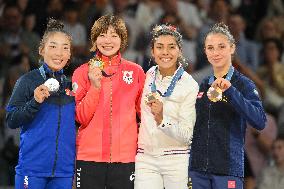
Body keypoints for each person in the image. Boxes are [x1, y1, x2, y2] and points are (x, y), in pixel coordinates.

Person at [189, 23, 267, 189]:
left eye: (221, 47)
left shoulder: (243, 84)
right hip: (197, 170)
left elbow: (259, 121)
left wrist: (231, 91)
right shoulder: (202, 84)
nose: (215, 52)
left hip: (227, 169)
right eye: (210, 48)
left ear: (232, 48)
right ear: (205, 52)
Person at [72, 14, 145, 189]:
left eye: (114, 35)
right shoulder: (82, 72)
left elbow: (144, 115)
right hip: (89, 156)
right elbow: (80, 117)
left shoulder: (135, 72)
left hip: (125, 158)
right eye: (102, 35)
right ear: (95, 39)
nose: (108, 40)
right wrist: (95, 87)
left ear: (122, 38)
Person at [5, 18, 76, 189]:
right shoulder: (27, 81)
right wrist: (34, 102)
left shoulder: (72, 85)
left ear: (69, 55)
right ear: (41, 50)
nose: (59, 53)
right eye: (53, 46)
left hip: (64, 173)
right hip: (32, 170)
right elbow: (11, 119)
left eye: (65, 48)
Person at [134, 24, 199, 189]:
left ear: (180, 50)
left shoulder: (189, 84)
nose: (165, 53)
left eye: (171, 47)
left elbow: (186, 135)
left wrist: (162, 119)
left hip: (176, 160)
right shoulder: (146, 76)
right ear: (152, 51)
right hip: (145, 157)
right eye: (159, 47)